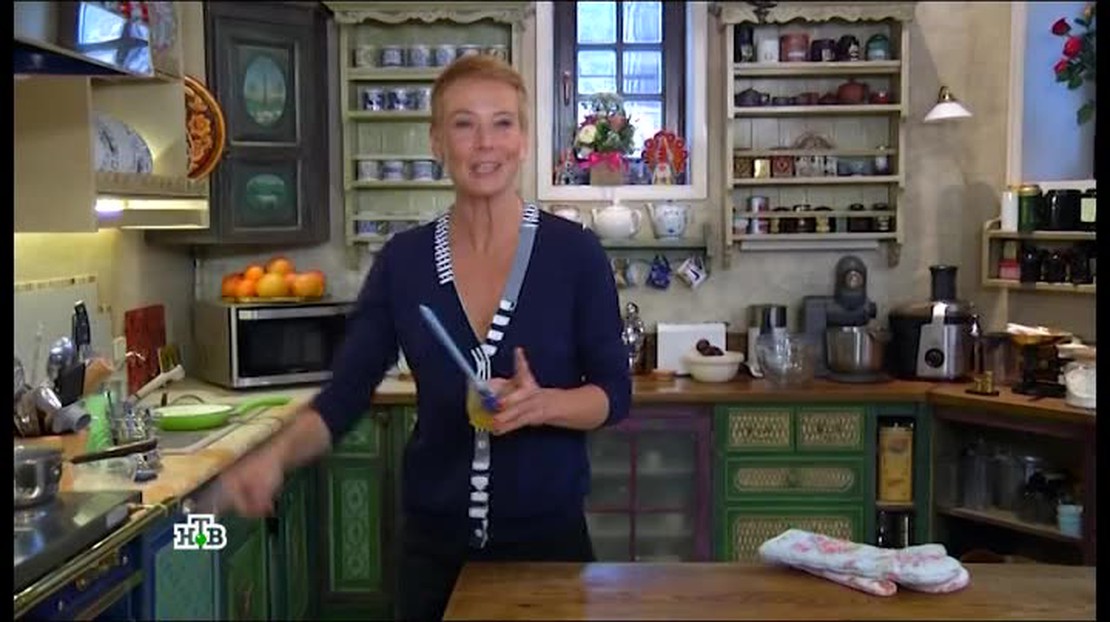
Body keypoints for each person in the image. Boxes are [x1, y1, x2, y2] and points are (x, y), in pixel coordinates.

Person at [215, 54, 632, 621]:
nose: (485, 143)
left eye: (502, 123)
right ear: (437, 142)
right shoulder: (404, 262)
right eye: (464, 124)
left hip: (549, 551)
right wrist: (275, 458)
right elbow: (344, 396)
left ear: (525, 140)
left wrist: (543, 405)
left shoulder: (575, 254)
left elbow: (614, 394)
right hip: (433, 556)